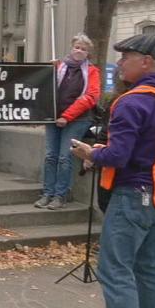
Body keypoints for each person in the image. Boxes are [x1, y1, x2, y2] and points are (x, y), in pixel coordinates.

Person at [71, 34, 155, 308]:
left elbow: (118, 156)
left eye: (126, 57)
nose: (119, 63)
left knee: (115, 270)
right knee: (149, 268)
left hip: (134, 195)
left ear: (146, 62)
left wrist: (90, 152)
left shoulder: (132, 101)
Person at [35, 33, 101, 210]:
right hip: (54, 116)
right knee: (50, 156)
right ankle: (47, 192)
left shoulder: (92, 71)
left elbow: (91, 97)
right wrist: (47, 69)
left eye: (84, 49)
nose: (79, 51)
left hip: (78, 119)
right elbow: (45, 86)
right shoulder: (60, 66)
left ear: (89, 53)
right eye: (77, 47)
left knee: (65, 157)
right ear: (71, 48)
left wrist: (68, 116)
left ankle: (60, 195)